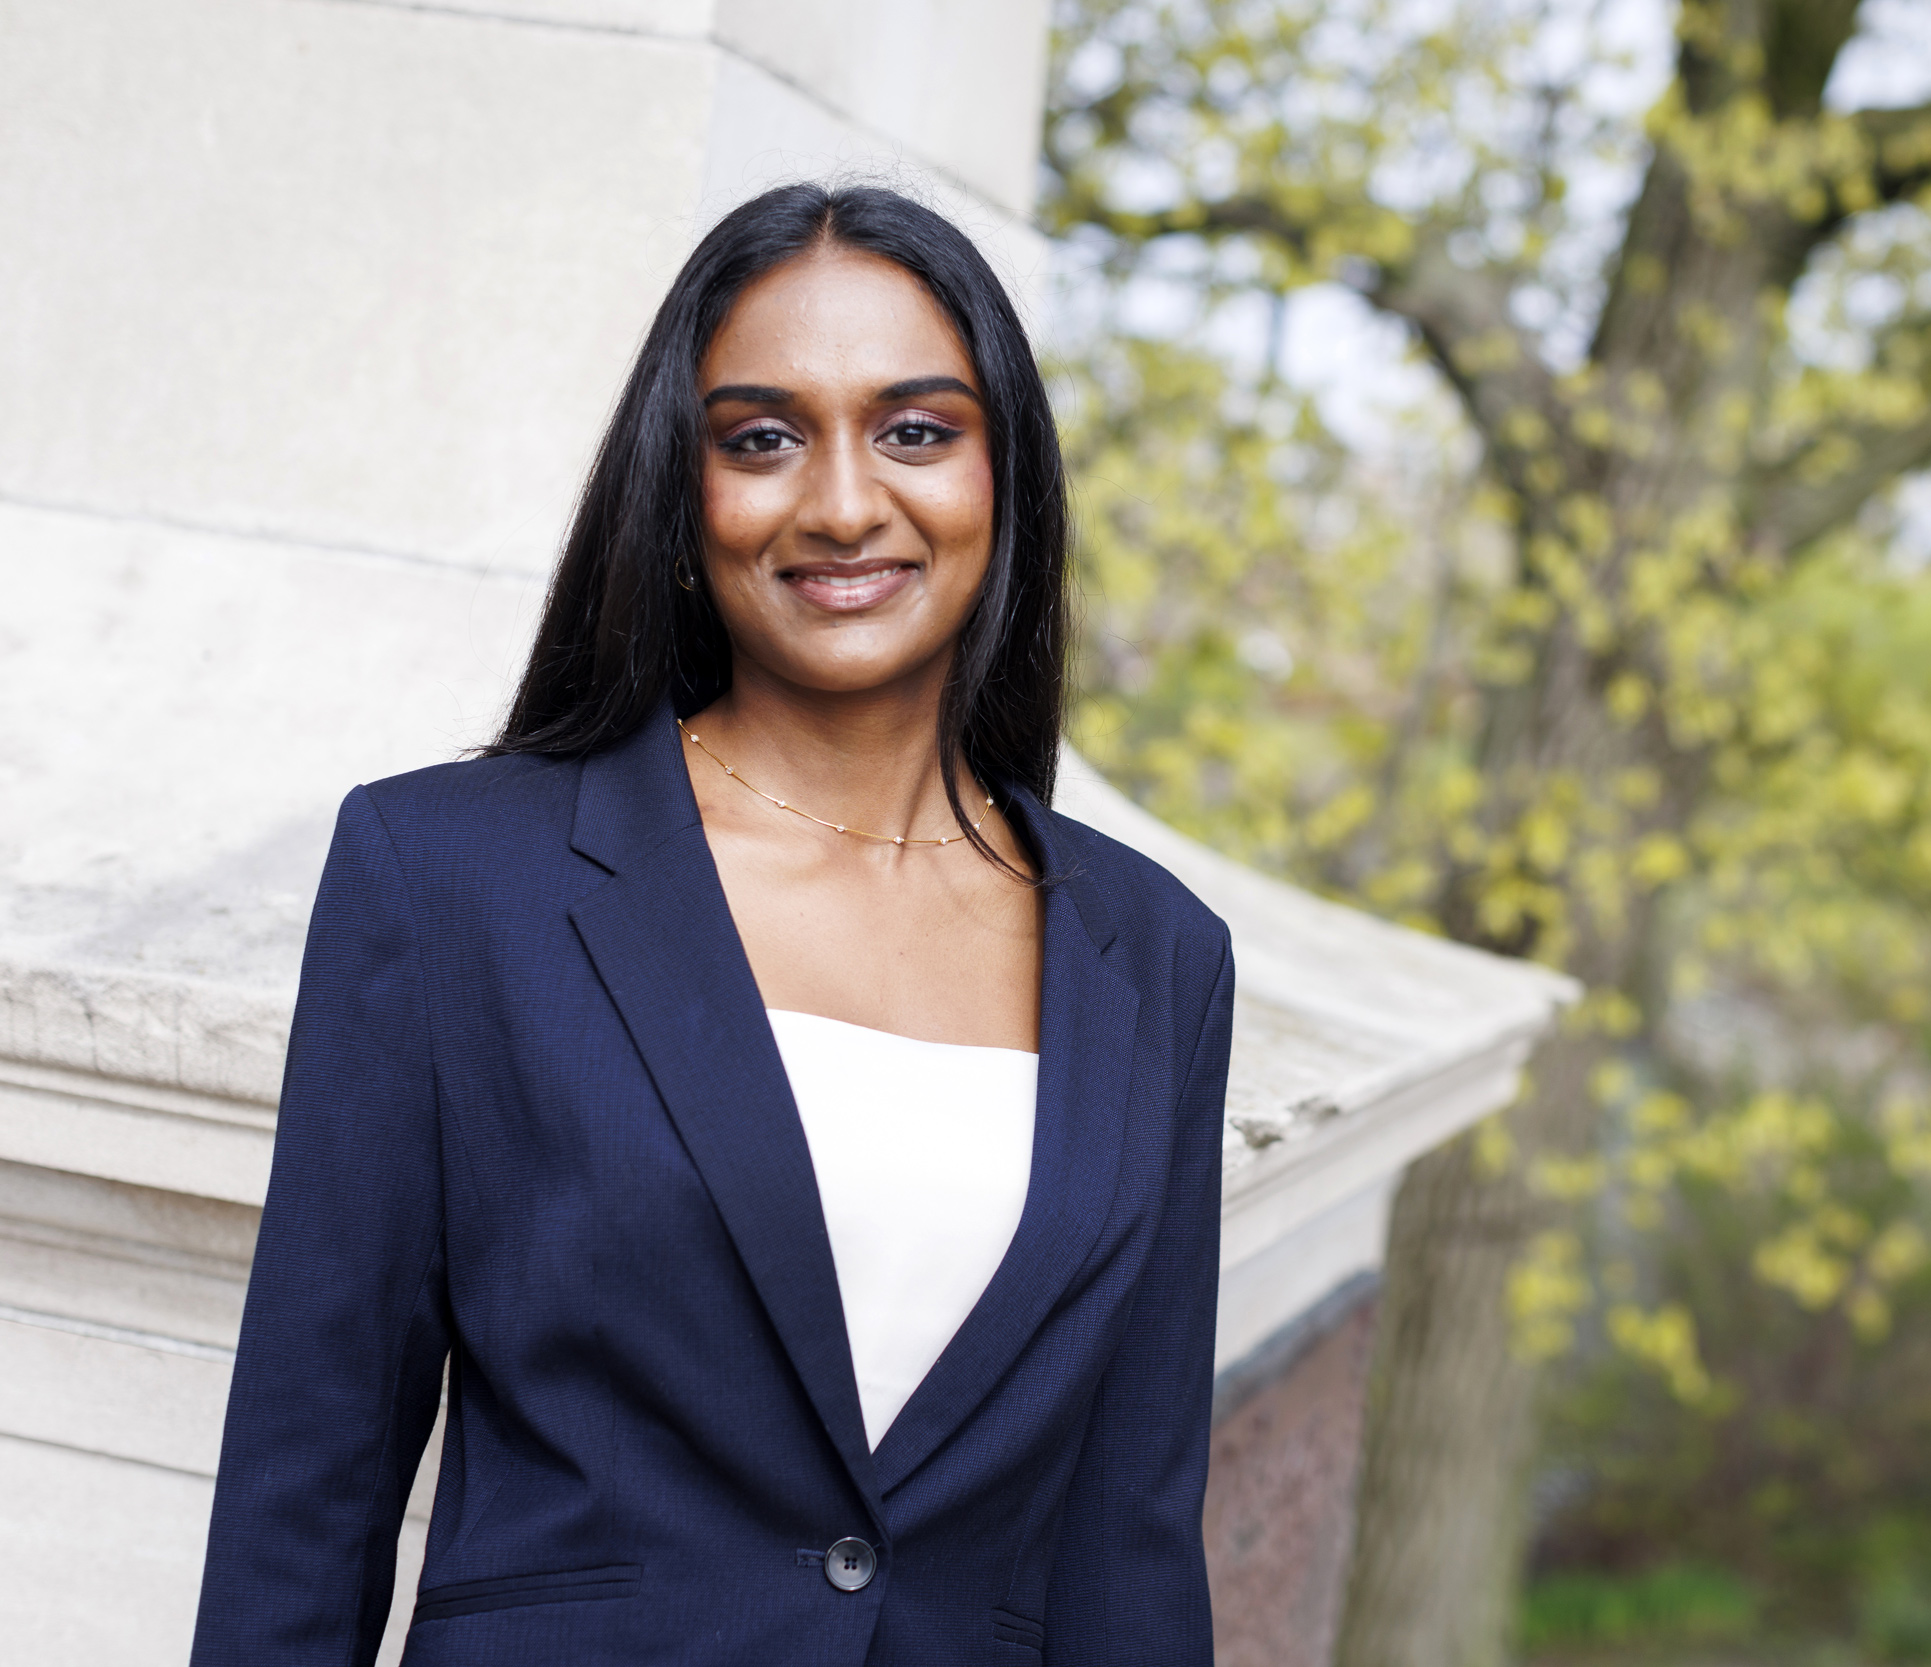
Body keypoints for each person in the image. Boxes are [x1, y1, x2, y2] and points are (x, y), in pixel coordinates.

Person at [189, 183, 1235, 1667]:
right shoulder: (451, 879)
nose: (843, 503)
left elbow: (1128, 1541)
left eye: (917, 430)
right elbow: (311, 1482)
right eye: (761, 438)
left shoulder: (1158, 957)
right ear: (682, 497)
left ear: (1008, 481)